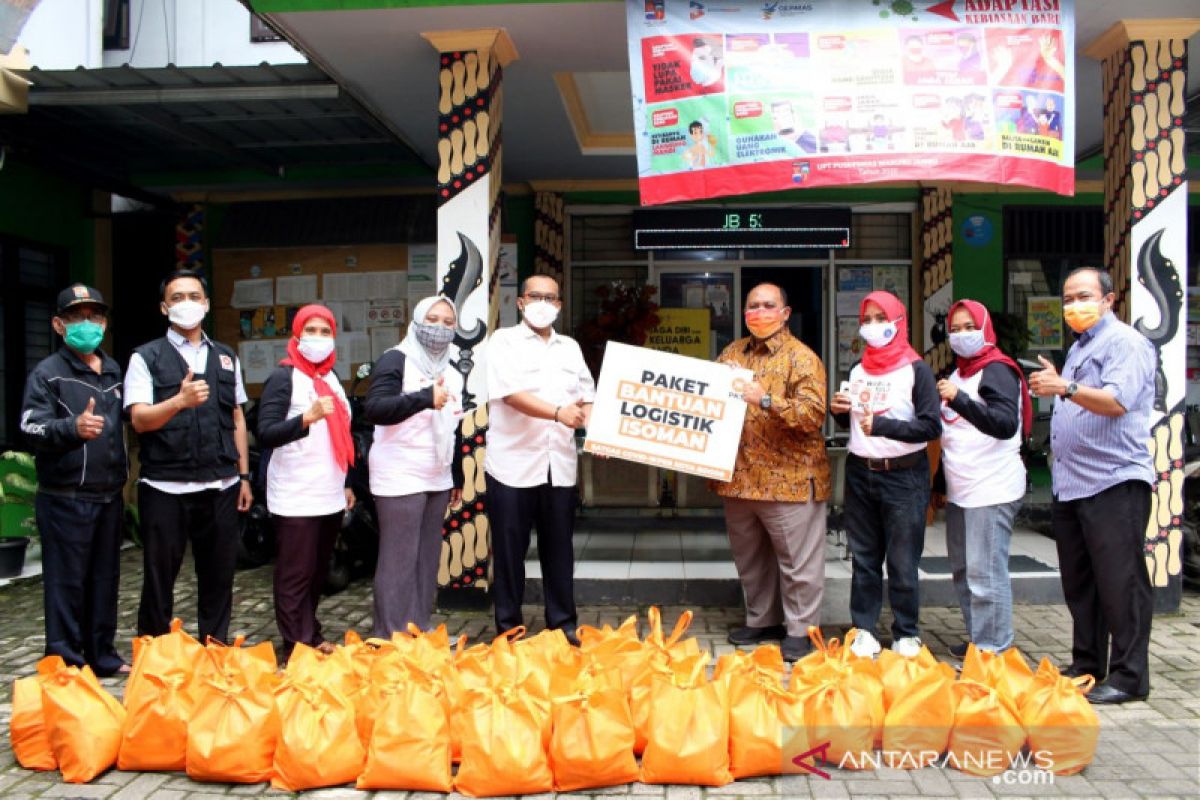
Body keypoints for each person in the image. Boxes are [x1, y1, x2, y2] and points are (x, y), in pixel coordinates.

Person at [1029, 267, 1155, 704]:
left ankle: (1129, 676)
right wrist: (1064, 383)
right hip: (1074, 484)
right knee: (1081, 583)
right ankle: (1087, 664)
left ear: (1109, 299)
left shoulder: (1126, 344)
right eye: (1066, 299)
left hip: (1113, 481)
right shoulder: (1083, 347)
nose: (1073, 306)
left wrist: (1064, 385)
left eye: (1083, 296)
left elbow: (1117, 401)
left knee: (1120, 582)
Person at [125, 270, 252, 644]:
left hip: (222, 484)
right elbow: (139, 419)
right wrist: (179, 401)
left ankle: (215, 645)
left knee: (218, 574)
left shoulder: (226, 357)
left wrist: (243, 477)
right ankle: (155, 648)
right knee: (160, 574)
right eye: (177, 297)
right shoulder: (145, 357)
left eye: (194, 296)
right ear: (164, 308)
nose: (187, 303)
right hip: (165, 486)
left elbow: (237, 417)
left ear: (207, 304)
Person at [715, 283, 830, 662]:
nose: (759, 311)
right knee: (751, 560)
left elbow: (813, 415)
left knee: (798, 563)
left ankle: (800, 629)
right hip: (740, 477)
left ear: (785, 312)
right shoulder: (732, 353)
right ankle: (762, 618)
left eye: (769, 305)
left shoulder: (802, 358)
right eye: (752, 306)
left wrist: (764, 398)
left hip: (791, 479)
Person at [20, 284, 129, 677]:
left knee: (104, 579)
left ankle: (103, 655)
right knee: (66, 584)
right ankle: (66, 661)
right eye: (77, 317)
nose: (88, 324)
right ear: (58, 325)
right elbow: (30, 429)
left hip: (108, 495)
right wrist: (72, 427)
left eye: (95, 316)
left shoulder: (114, 369)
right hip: (65, 497)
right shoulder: (48, 374)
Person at [485, 275, 594, 644]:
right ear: (520, 302)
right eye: (535, 296)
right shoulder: (503, 342)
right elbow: (511, 395)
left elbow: (587, 394)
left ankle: (562, 625)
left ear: (560, 305)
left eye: (550, 297)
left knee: (559, 551)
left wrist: (599, 429)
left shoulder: (570, 348)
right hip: (512, 466)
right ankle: (509, 629)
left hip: (558, 466)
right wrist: (558, 413)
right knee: (510, 553)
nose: (543, 302)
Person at [831, 291, 940, 658]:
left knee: (903, 559)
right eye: (868, 318)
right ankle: (863, 629)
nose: (874, 326)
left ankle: (906, 631)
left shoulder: (916, 369)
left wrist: (882, 426)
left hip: (904, 476)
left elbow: (929, 427)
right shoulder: (858, 369)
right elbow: (855, 421)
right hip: (861, 472)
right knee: (863, 557)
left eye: (882, 318)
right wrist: (838, 412)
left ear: (899, 322)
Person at [256, 304, 355, 661]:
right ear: (296, 335)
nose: (318, 338)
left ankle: (310, 633)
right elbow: (265, 432)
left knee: (317, 572)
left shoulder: (331, 378)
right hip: (295, 492)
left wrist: (347, 483)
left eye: (325, 331)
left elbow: (342, 435)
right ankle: (295, 645)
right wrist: (307, 417)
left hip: (328, 491)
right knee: (295, 573)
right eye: (310, 330)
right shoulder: (284, 377)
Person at [935, 300, 1032, 657]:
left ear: (985, 328)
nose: (961, 335)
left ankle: (994, 648)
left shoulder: (996, 371)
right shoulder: (959, 371)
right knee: (964, 571)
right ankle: (980, 638)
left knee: (985, 573)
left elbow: (1005, 425)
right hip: (962, 488)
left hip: (991, 488)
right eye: (955, 329)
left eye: (968, 327)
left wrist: (958, 399)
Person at [364, 295, 464, 636]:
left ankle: (418, 626)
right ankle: (389, 634)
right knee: (399, 557)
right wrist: (424, 398)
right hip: (399, 470)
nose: (440, 328)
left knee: (426, 558)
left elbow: (454, 425)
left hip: (436, 472)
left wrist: (458, 474)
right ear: (417, 321)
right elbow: (375, 408)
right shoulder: (396, 360)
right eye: (432, 319)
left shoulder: (451, 369)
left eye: (448, 322)